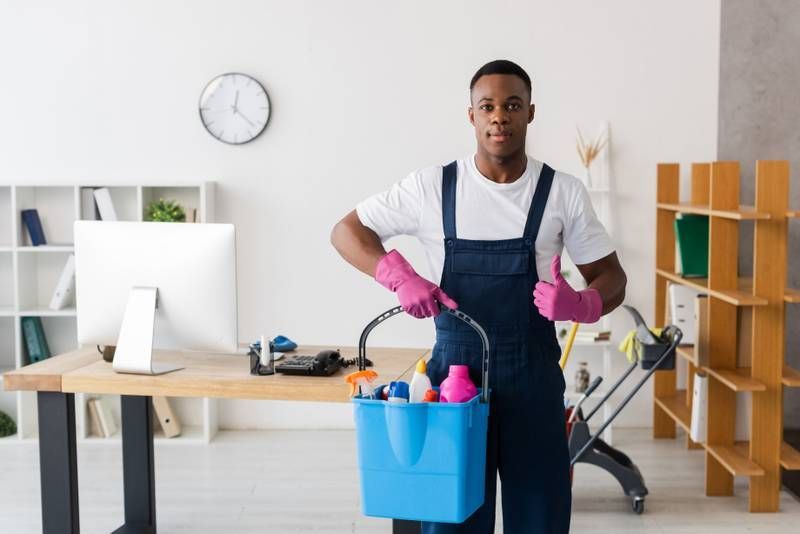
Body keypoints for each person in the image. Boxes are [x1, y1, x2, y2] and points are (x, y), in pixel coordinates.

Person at [331, 59, 627, 534]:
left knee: (540, 516)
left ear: (530, 113)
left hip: (532, 378)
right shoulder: (433, 187)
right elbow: (347, 231)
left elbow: (611, 276)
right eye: (487, 106)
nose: (499, 117)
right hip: (454, 382)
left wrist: (582, 304)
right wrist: (397, 274)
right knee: (452, 517)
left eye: (512, 105)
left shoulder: (562, 192)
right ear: (471, 116)